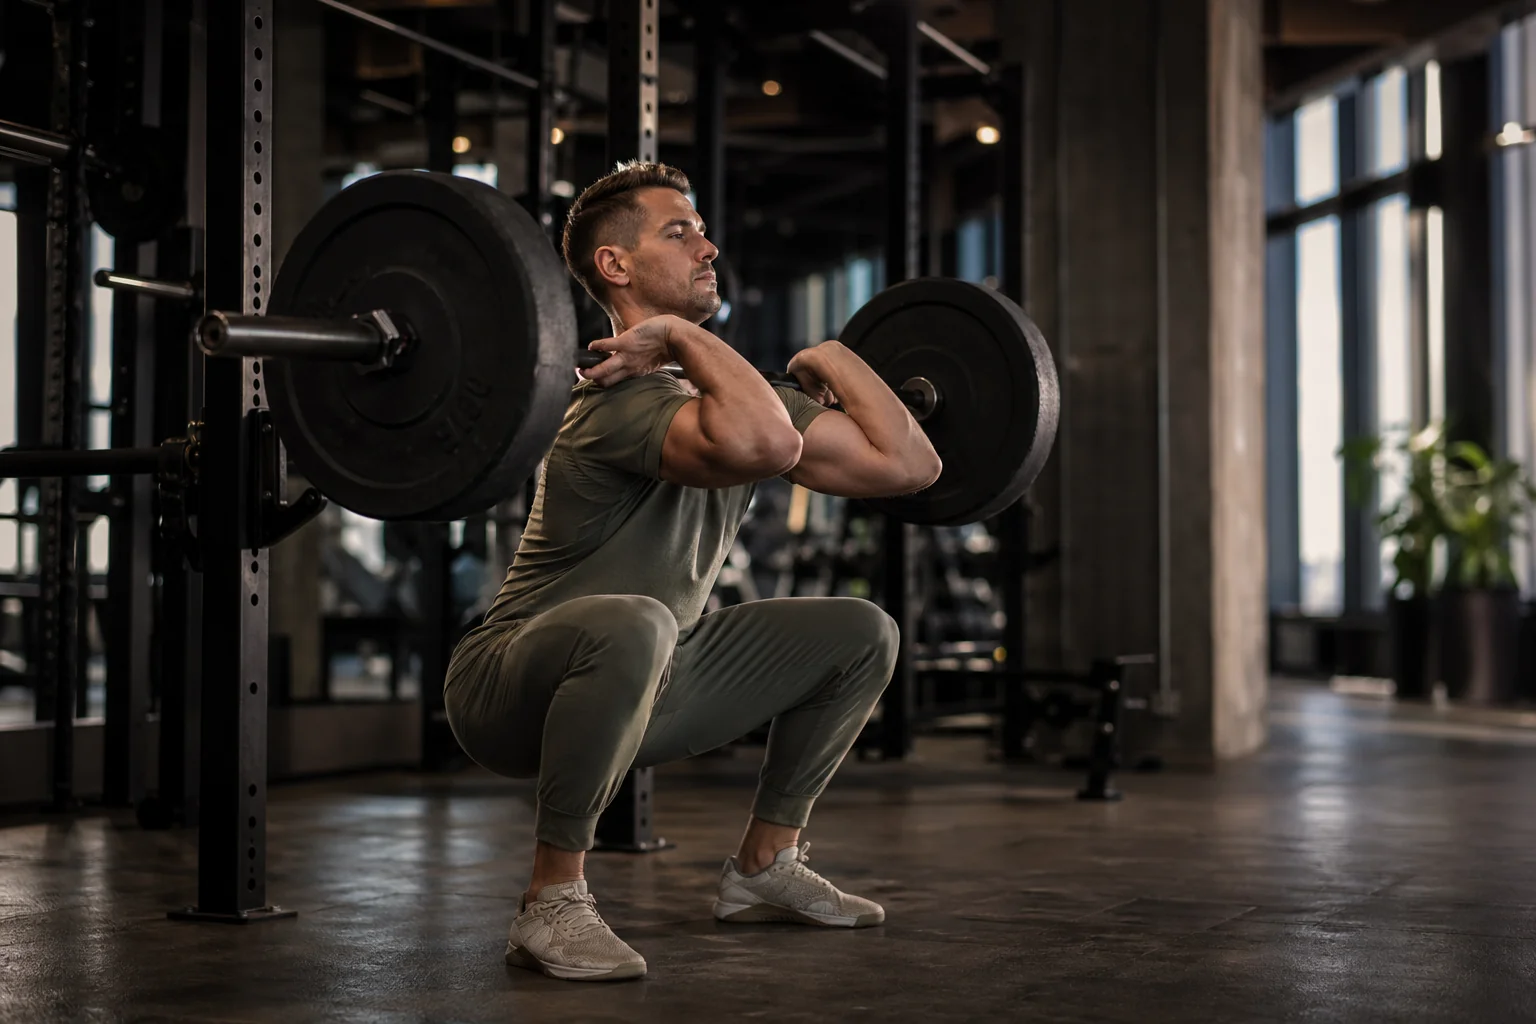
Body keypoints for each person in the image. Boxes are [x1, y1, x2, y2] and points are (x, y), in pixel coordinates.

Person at [443, 161, 942, 982]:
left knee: (861, 632)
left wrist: (835, 355)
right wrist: (679, 336)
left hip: (652, 676)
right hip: (506, 689)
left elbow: (910, 466)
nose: (709, 246)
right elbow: (768, 445)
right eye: (679, 233)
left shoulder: (733, 394)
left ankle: (763, 866)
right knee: (636, 618)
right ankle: (551, 900)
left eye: (703, 229)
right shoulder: (608, 404)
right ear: (617, 267)